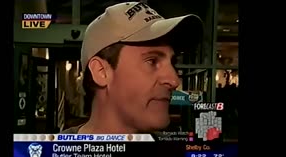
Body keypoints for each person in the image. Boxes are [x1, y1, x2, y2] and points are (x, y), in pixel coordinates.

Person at [61, 1, 203, 134]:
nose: (174, 81)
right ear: (101, 72)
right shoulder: (50, 156)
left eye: (173, 62)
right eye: (152, 61)